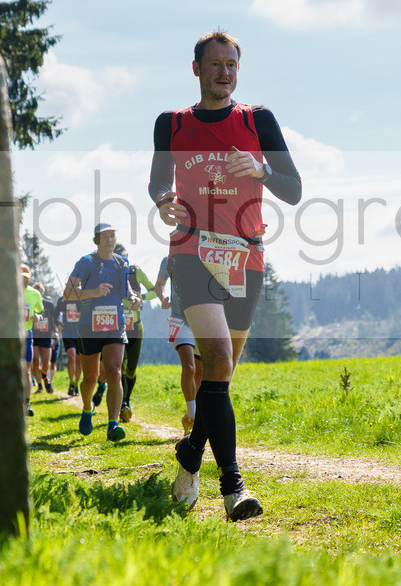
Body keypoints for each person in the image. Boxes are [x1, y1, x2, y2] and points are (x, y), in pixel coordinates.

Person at [148, 31, 302, 521]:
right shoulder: (171, 124)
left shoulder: (258, 121)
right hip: (192, 250)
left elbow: (294, 190)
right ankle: (234, 487)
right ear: (196, 69)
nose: (224, 72)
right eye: (214, 64)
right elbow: (157, 181)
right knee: (214, 355)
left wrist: (260, 170)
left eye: (231, 64)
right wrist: (161, 201)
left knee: (221, 375)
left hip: (246, 255)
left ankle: (191, 455)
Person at [63, 223, 142, 442]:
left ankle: (112, 424)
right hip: (89, 326)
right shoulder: (86, 262)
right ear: (97, 240)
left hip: (115, 323)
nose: (109, 240)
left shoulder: (121, 263)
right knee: (89, 379)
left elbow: (125, 289)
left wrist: (133, 298)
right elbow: (68, 293)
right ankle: (87, 408)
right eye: (104, 236)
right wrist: (93, 292)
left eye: (112, 235)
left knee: (115, 371)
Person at [155, 254, 203, 435]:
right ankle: (192, 416)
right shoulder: (169, 259)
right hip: (179, 319)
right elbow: (159, 284)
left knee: (200, 373)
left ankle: (193, 414)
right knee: (189, 367)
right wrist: (163, 297)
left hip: (202, 320)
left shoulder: (206, 254)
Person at [113, 243, 159, 424]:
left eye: (125, 257)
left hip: (136, 327)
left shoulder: (135, 271)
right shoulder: (109, 274)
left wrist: (142, 298)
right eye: (119, 258)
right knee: (120, 368)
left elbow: (154, 290)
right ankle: (124, 404)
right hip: (117, 327)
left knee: (131, 369)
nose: (123, 261)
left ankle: (127, 399)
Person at [20, 264, 44, 417]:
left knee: (26, 370)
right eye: (21, 277)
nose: (24, 280)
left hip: (27, 334)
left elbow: (41, 313)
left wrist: (37, 317)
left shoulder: (34, 294)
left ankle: (27, 403)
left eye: (26, 278)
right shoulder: (8, 292)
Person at [30, 281, 57, 394]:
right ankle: (40, 385)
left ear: (42, 292)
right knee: (35, 361)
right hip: (35, 335)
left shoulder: (49, 304)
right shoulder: (30, 302)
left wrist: (55, 331)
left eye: (39, 291)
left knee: (46, 362)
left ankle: (45, 377)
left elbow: (53, 319)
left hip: (46, 336)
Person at [55, 294, 82, 396]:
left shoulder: (82, 297)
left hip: (81, 334)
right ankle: (71, 382)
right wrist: (58, 324)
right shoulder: (62, 300)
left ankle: (76, 383)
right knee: (71, 357)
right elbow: (55, 313)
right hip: (67, 333)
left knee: (79, 363)